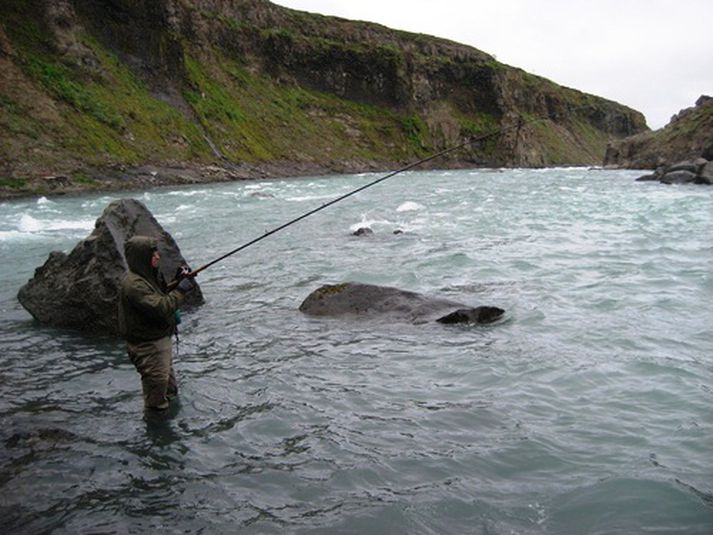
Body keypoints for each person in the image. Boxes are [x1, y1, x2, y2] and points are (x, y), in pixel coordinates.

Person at [118, 235, 195, 411]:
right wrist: (181, 290)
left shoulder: (145, 277)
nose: (158, 257)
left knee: (169, 389)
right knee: (156, 399)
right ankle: (157, 431)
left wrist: (177, 282)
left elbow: (158, 295)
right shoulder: (134, 285)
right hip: (149, 346)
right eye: (154, 254)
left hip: (158, 341)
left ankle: (167, 421)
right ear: (143, 257)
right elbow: (160, 307)